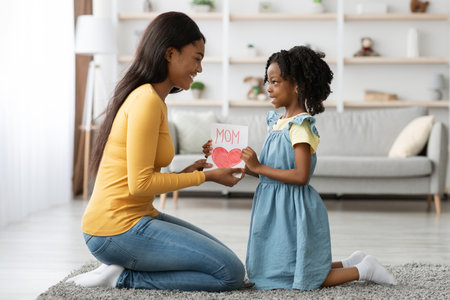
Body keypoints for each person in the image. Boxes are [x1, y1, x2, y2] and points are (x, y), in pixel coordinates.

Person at [67, 11, 245, 291]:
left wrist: (187, 172)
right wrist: (207, 178)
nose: (199, 69)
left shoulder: (155, 100)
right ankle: (120, 278)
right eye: (197, 58)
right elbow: (141, 184)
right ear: (170, 53)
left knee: (226, 260)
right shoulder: (146, 101)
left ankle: (120, 267)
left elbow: (143, 176)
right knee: (230, 274)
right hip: (114, 229)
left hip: (137, 216)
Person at [239, 46, 397, 290]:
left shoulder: (300, 126)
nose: (268, 88)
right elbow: (269, 172)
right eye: (267, 81)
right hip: (273, 207)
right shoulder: (278, 122)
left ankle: (364, 269)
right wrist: (239, 163)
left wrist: (258, 167)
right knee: (285, 266)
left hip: (292, 208)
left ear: (297, 85)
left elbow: (300, 176)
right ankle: (350, 261)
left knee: (307, 278)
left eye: (275, 81)